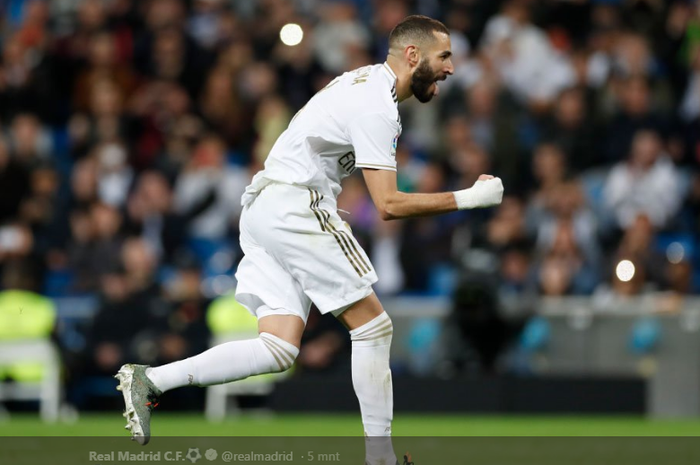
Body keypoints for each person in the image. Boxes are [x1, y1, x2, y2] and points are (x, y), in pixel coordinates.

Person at [114, 15, 503, 464]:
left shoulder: (361, 84)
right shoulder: (377, 104)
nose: (451, 68)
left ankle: (151, 381)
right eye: (444, 56)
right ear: (412, 55)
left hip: (264, 205)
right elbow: (388, 205)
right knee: (374, 327)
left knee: (278, 348)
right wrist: (469, 198)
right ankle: (379, 458)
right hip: (296, 203)